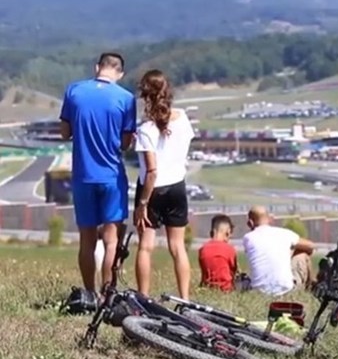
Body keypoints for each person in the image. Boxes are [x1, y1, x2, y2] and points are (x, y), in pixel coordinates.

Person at [59, 52, 136, 295]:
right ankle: (107, 294)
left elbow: (64, 132)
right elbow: (125, 143)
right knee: (111, 239)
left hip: (83, 175)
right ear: (120, 73)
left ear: (97, 68)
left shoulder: (74, 91)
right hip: (112, 175)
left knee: (87, 240)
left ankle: (89, 292)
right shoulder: (126, 98)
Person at [133, 69, 195, 300]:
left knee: (146, 246)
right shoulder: (183, 118)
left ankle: (143, 297)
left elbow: (152, 171)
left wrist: (142, 203)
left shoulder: (145, 129)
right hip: (177, 185)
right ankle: (185, 298)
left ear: (145, 95)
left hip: (152, 190)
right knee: (177, 247)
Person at [241, 206, 315, 296]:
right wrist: (291, 252)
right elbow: (311, 246)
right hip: (286, 291)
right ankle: (310, 289)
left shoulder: (248, 238)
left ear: (250, 223)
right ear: (269, 219)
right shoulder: (285, 233)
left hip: (258, 292)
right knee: (302, 255)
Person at [198, 214, 238, 292]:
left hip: (208, 288)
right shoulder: (230, 249)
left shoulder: (202, 249)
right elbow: (233, 272)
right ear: (227, 233)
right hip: (226, 289)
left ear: (211, 232)